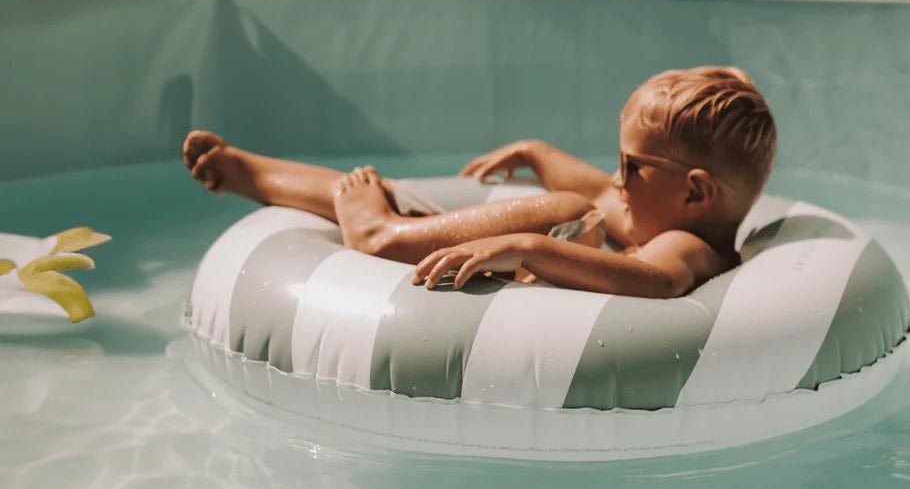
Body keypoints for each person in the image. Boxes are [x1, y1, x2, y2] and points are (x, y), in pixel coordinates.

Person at [182, 66, 776, 299]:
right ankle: (251, 172)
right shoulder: (669, 214)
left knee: (563, 209)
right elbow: (596, 190)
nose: (617, 180)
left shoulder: (686, 246)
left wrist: (531, 247)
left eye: (631, 167)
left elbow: (657, 281)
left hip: (505, 263)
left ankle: (378, 235)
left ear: (696, 193)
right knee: (576, 201)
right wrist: (537, 152)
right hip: (497, 256)